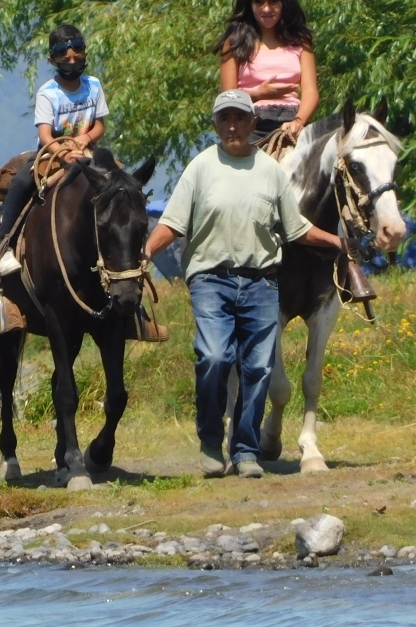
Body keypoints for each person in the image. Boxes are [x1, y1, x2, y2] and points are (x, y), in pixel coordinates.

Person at [144, 89, 344, 478]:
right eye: (225, 119)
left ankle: (247, 451)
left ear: (254, 124)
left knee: (257, 368)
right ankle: (209, 442)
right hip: (210, 279)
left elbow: (297, 228)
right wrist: (146, 252)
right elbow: (172, 223)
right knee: (215, 356)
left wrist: (338, 242)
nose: (232, 126)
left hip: (261, 283)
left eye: (240, 119)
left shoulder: (270, 171)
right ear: (216, 125)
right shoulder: (201, 167)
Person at [0, 24, 108, 276]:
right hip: (52, 152)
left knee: (120, 184)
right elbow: (45, 134)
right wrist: (64, 151)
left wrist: (87, 137)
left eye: (76, 56)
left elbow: (100, 124)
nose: (72, 61)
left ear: (85, 53)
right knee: (21, 182)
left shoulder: (94, 86)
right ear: (52, 59)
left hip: (88, 150)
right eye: (64, 58)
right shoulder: (48, 93)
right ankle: (5, 245)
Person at [216, 0, 318, 142]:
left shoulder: (301, 41)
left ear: (284, 3)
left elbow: (311, 92)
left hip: (293, 120)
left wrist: (298, 121)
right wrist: (258, 94)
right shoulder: (234, 42)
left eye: (273, 2)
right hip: (250, 123)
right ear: (250, 5)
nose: (267, 9)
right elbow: (228, 97)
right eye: (259, 3)